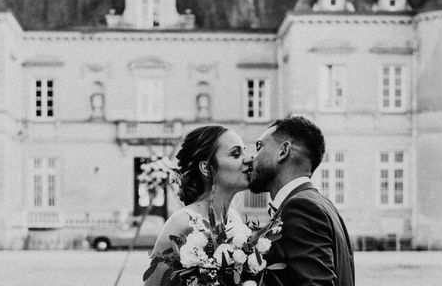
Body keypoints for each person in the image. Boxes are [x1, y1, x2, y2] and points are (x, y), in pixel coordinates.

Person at [246, 115, 355, 286]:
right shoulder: (323, 205)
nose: (252, 158)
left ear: (283, 151)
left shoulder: (300, 208)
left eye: (259, 147)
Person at [143, 124, 251, 286]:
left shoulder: (234, 218)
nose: (249, 158)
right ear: (206, 168)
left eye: (244, 151)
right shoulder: (182, 221)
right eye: (236, 154)